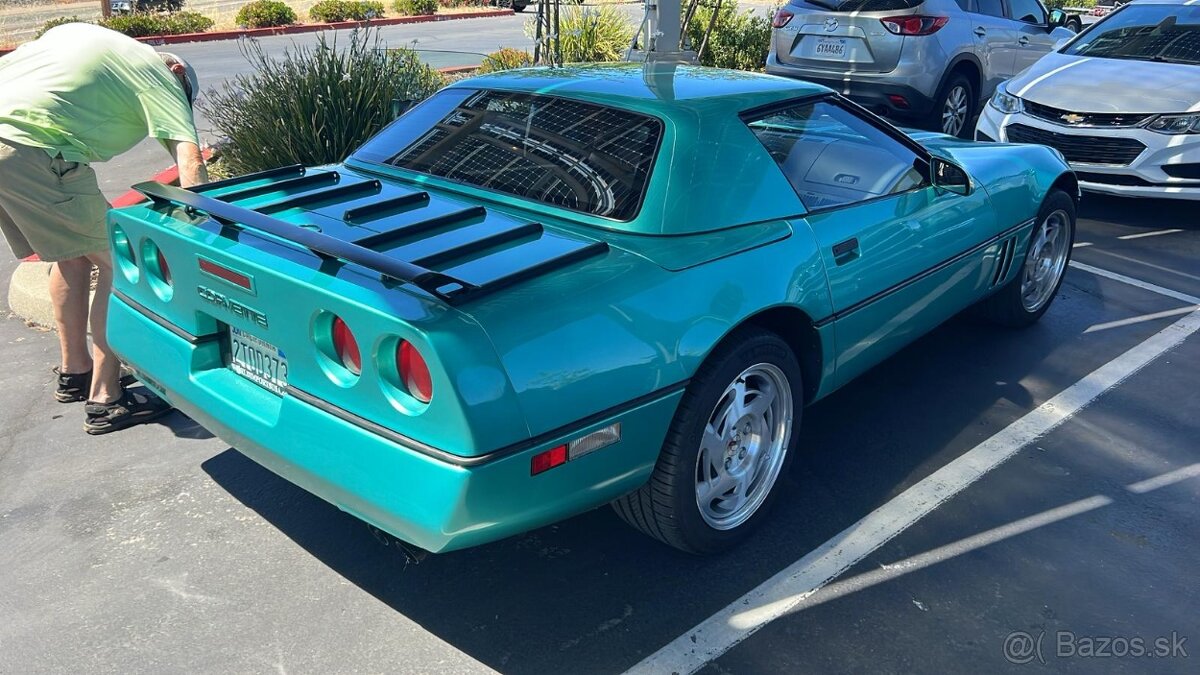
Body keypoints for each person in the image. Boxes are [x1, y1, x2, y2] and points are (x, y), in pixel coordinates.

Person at [0, 23, 208, 434]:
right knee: (123, 265)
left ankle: (75, 371)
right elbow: (191, 165)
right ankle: (105, 398)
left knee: (71, 257)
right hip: (33, 151)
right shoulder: (159, 75)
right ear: (179, 75)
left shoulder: (84, 37)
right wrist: (203, 238)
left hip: (10, 140)